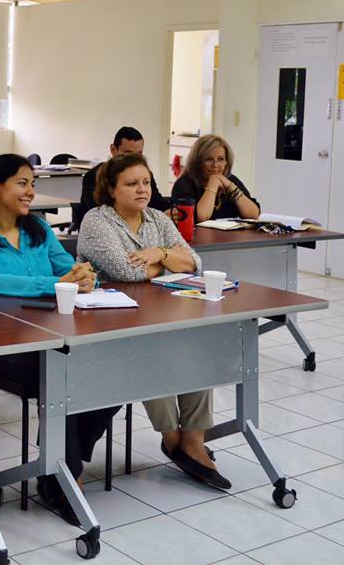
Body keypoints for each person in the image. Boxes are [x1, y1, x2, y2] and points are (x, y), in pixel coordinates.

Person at [0, 153, 108, 524]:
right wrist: (52, 285)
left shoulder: (38, 229)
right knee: (66, 375)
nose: (30, 192)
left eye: (32, 185)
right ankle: (61, 477)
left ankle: (60, 463)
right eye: (22, 183)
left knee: (107, 372)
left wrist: (85, 277)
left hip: (52, 335)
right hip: (1, 344)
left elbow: (67, 269)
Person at [77, 153, 231, 490]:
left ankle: (193, 438)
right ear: (112, 190)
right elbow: (126, 271)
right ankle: (173, 438)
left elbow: (194, 262)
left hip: (160, 310)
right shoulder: (97, 221)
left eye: (146, 182)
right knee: (153, 352)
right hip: (108, 321)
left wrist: (159, 254)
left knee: (199, 345)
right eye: (132, 184)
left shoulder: (157, 220)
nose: (142, 190)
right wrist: (168, 262)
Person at [76, 126, 169, 229]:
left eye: (139, 154)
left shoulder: (144, 174)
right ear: (113, 149)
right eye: (127, 153)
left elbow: (158, 203)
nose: (133, 160)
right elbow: (101, 213)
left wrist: (171, 211)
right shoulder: (94, 177)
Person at [171, 134, 260, 223]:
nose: (215, 165)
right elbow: (202, 217)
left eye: (221, 159)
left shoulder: (230, 180)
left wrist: (231, 187)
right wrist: (214, 182)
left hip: (229, 236)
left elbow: (254, 215)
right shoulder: (184, 184)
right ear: (197, 161)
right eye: (209, 159)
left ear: (226, 162)